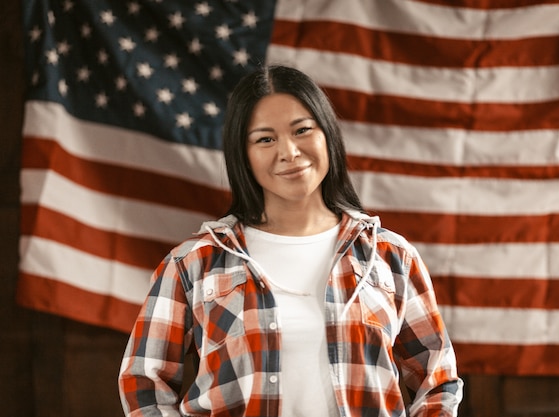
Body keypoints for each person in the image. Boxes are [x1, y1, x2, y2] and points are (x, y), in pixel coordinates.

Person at [118, 65, 463, 417]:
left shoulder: (390, 257)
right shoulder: (193, 263)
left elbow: (437, 380)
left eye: (302, 130)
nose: (290, 152)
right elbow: (144, 383)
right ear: (243, 153)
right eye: (265, 139)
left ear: (327, 134)